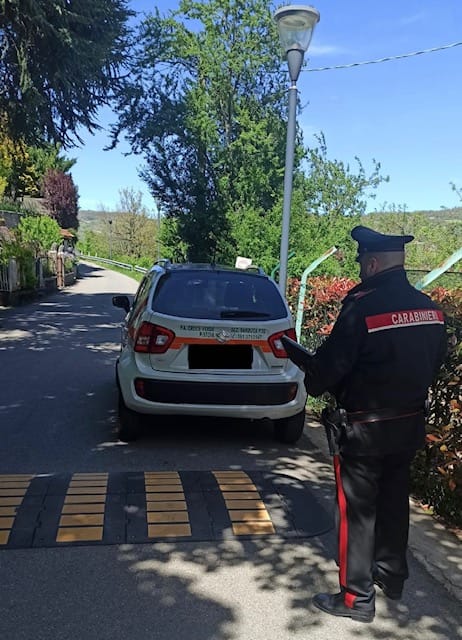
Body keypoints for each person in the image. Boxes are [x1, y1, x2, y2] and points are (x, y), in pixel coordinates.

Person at [294, 226, 447, 623]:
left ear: (373, 262)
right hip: (408, 426)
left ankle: (355, 599)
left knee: (357, 513)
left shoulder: (362, 307)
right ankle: (392, 577)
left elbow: (328, 370)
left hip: (363, 431)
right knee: (395, 503)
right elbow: (433, 364)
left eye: (362, 262)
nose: (361, 270)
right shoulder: (429, 307)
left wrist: (311, 375)